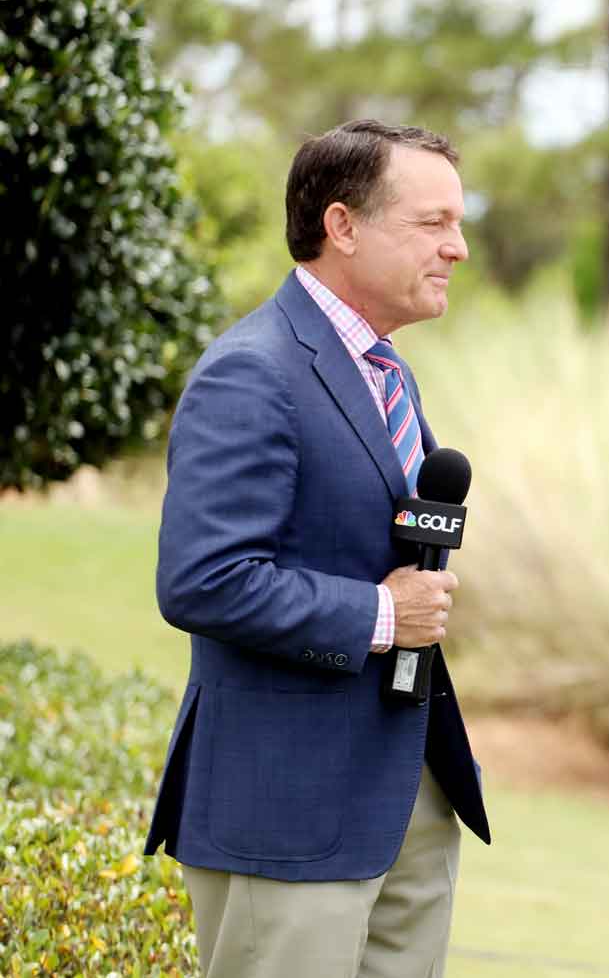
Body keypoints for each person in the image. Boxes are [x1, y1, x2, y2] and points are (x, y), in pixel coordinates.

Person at [145, 120, 491, 978]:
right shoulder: (252, 372)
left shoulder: (388, 371)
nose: (459, 249)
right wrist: (384, 613)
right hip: (287, 814)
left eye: (460, 222)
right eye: (432, 223)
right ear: (343, 226)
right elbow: (205, 580)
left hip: (408, 794)